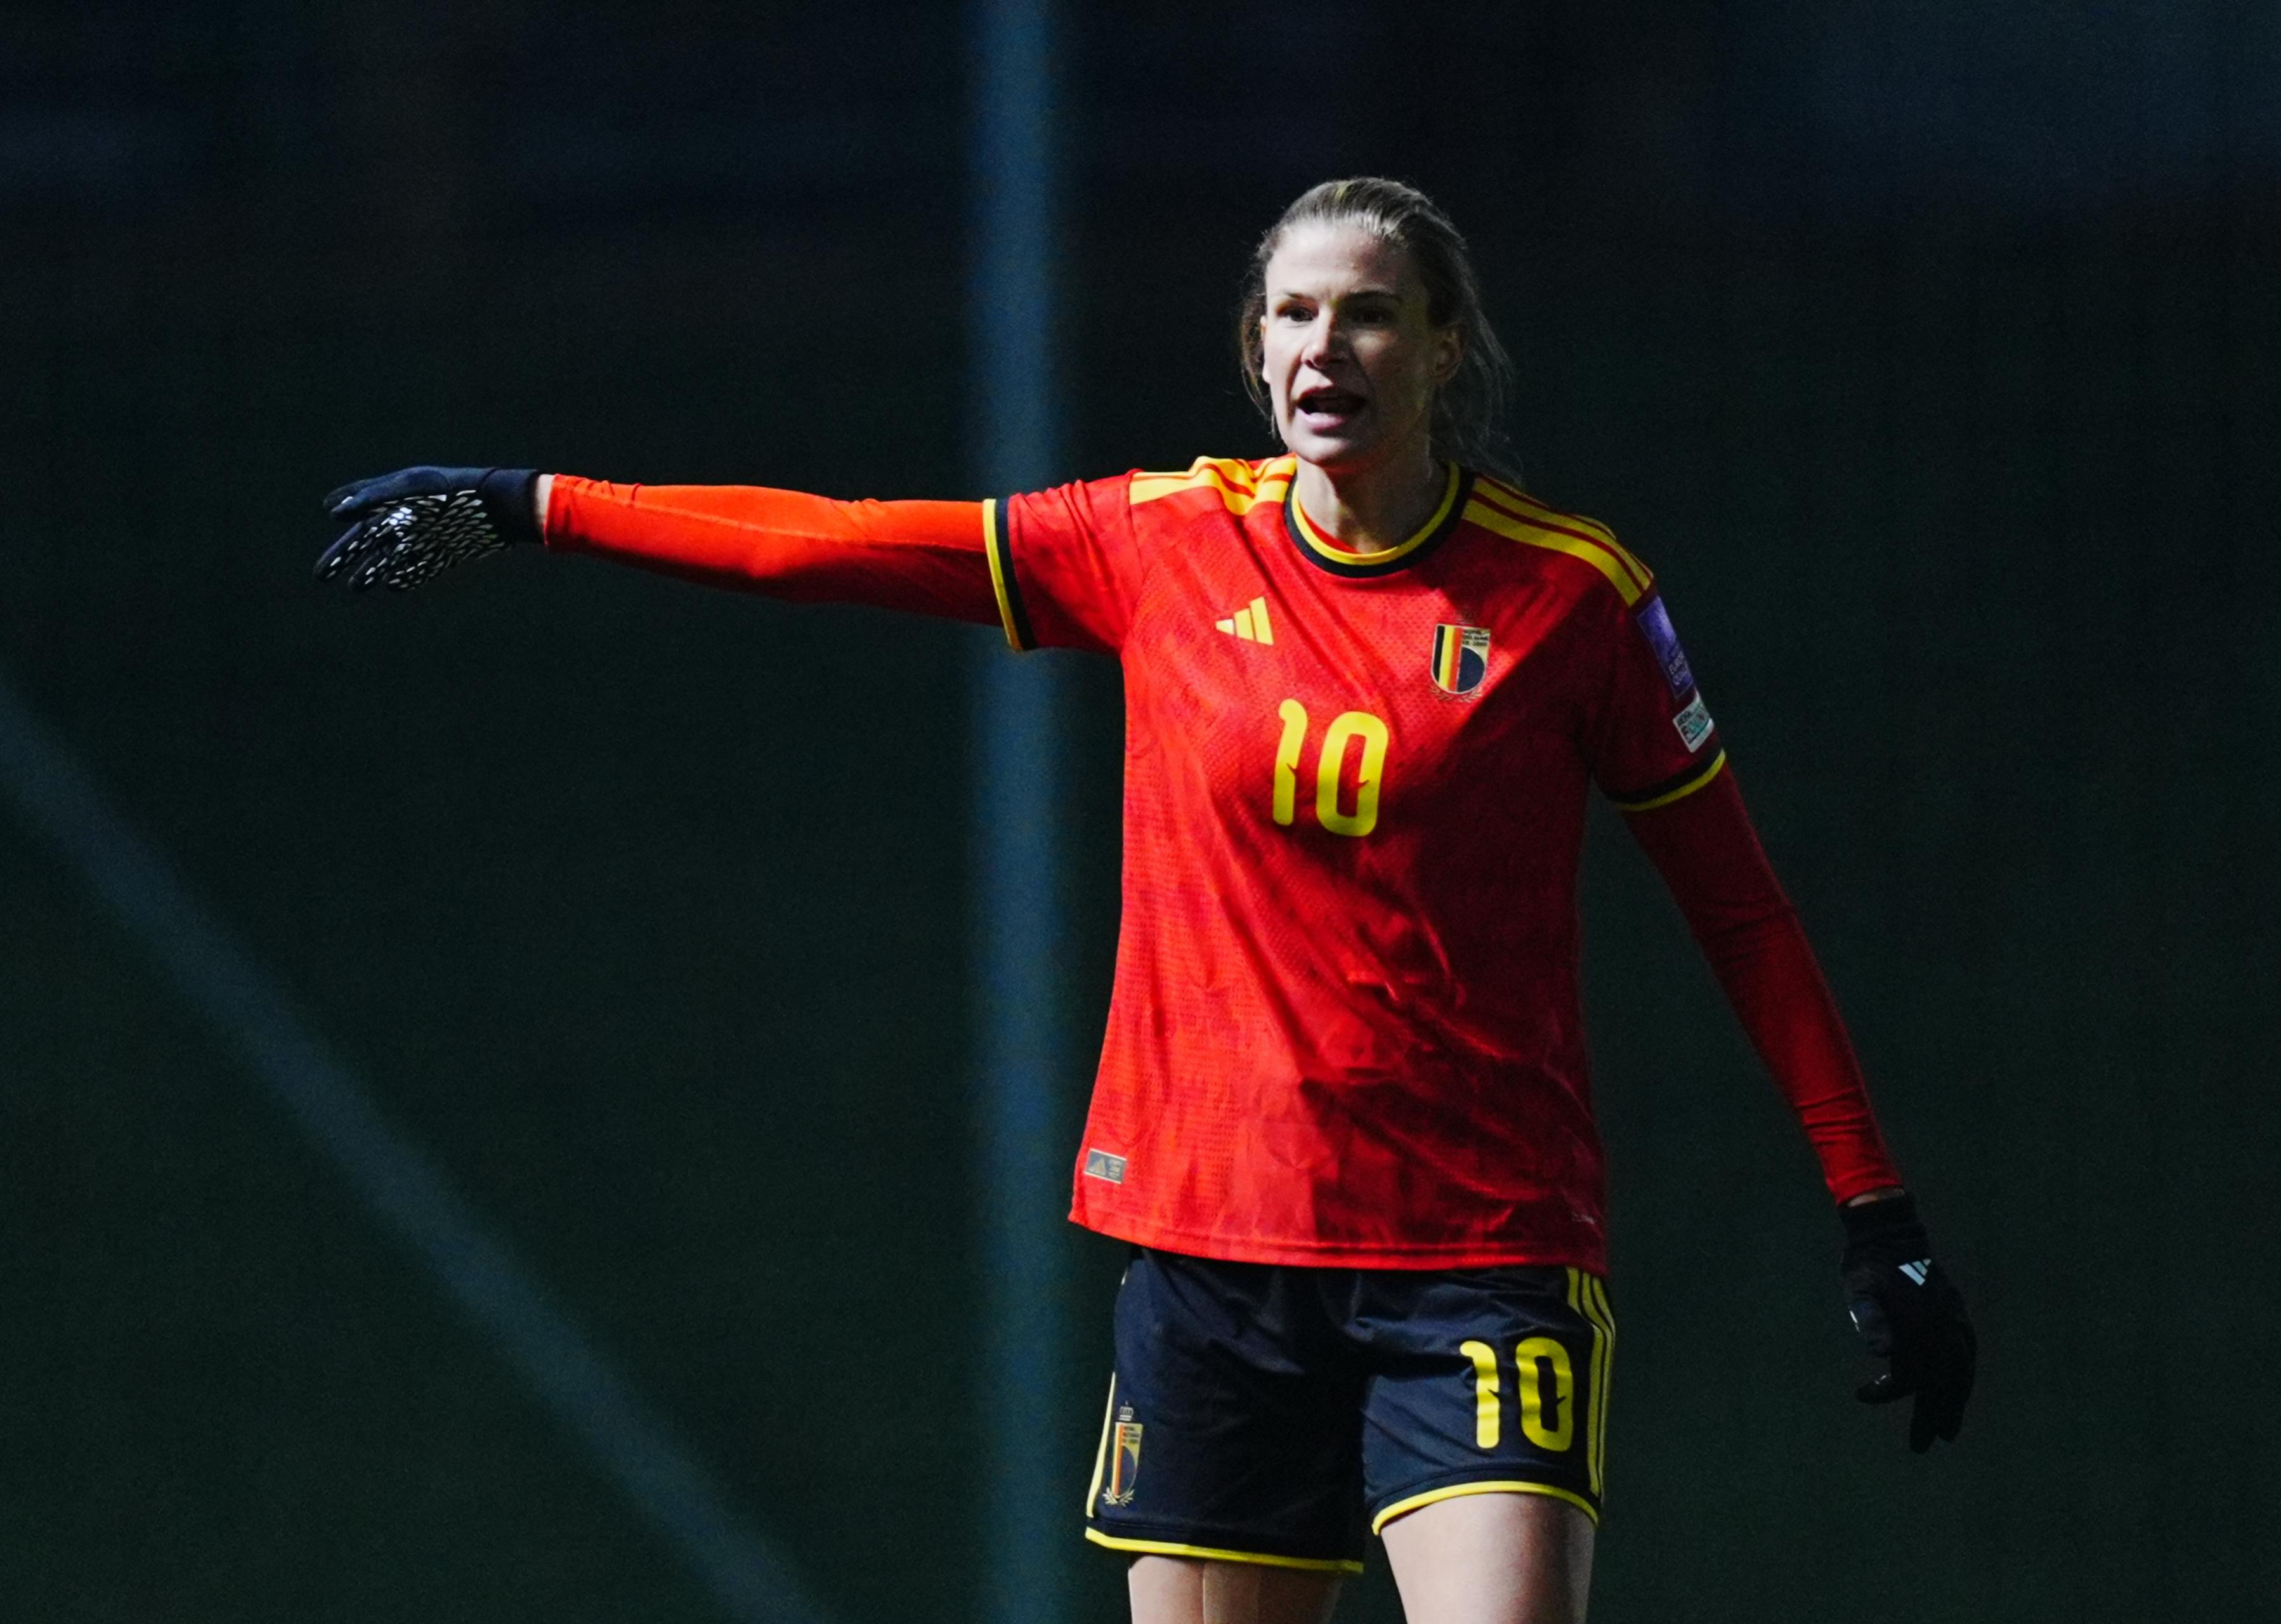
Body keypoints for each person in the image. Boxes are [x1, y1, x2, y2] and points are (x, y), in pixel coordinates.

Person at [317, 176, 1973, 1624]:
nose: (1325, 348)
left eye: (1370, 315)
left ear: (1446, 349)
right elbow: (827, 543)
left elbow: (1743, 915)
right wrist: (527, 504)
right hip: (1214, 1255)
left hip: (1477, 1256)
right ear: (1255, 348)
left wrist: (1876, 1214)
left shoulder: (1570, 598)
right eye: (1294, 315)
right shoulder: (1160, 542)